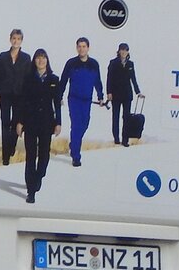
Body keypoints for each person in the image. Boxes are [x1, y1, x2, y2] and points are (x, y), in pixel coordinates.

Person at [16, 49, 61, 203]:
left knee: (44, 155)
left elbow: (57, 104)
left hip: (47, 122)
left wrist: (58, 123)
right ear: (34, 61)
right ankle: (31, 190)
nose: (41, 61)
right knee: (30, 156)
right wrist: (20, 122)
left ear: (47, 60)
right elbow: (22, 102)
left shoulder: (54, 79)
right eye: (38, 58)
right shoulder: (28, 79)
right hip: (30, 121)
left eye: (43, 58)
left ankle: (39, 176)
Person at [59, 37, 104, 167]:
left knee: (85, 124)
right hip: (74, 99)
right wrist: (59, 96)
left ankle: (73, 144)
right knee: (76, 125)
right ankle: (76, 156)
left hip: (87, 100)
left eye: (84, 46)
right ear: (76, 48)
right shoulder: (71, 63)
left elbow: (97, 81)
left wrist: (100, 96)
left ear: (88, 48)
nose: (81, 49)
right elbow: (63, 80)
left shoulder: (94, 64)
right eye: (79, 46)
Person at [0, 28, 31, 166]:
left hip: (20, 95)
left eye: (18, 39)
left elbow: (28, 78)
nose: (16, 41)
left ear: (21, 41)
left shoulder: (26, 58)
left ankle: (11, 146)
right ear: (10, 39)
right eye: (14, 38)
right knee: (5, 122)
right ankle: (5, 155)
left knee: (16, 122)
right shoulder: (2, 56)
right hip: (5, 94)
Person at [106, 42, 143, 146]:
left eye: (125, 50)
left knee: (126, 117)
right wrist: (109, 92)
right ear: (119, 51)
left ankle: (125, 139)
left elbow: (133, 79)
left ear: (128, 52)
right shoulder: (113, 63)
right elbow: (109, 78)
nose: (123, 52)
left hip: (127, 94)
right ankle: (116, 138)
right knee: (115, 116)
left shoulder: (130, 64)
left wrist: (138, 92)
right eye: (122, 50)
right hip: (116, 94)